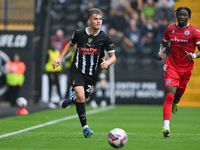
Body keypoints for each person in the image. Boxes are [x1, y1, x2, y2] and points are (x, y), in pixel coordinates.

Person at [52, 8, 116, 138]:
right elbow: (70, 45)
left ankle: (72, 98)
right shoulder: (79, 33)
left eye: (100, 19)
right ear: (89, 21)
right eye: (95, 19)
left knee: (83, 100)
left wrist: (107, 63)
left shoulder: (105, 37)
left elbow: (113, 57)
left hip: (92, 74)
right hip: (77, 69)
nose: (98, 22)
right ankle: (85, 128)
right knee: (81, 97)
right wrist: (60, 58)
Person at [156, 7, 200, 138]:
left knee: (177, 96)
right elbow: (163, 43)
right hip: (171, 66)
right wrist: (160, 52)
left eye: (184, 15)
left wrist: (193, 56)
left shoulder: (194, 31)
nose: (181, 17)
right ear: (176, 15)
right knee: (169, 96)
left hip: (186, 69)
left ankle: (176, 102)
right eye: (179, 14)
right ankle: (166, 126)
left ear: (189, 17)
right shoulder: (170, 29)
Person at [45, 41, 62, 108]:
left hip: (57, 72)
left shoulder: (57, 52)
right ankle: (50, 101)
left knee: (58, 86)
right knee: (50, 86)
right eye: (53, 44)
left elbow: (60, 62)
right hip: (51, 72)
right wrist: (50, 73)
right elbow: (46, 63)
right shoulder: (48, 52)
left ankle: (60, 100)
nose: (54, 46)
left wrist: (60, 72)